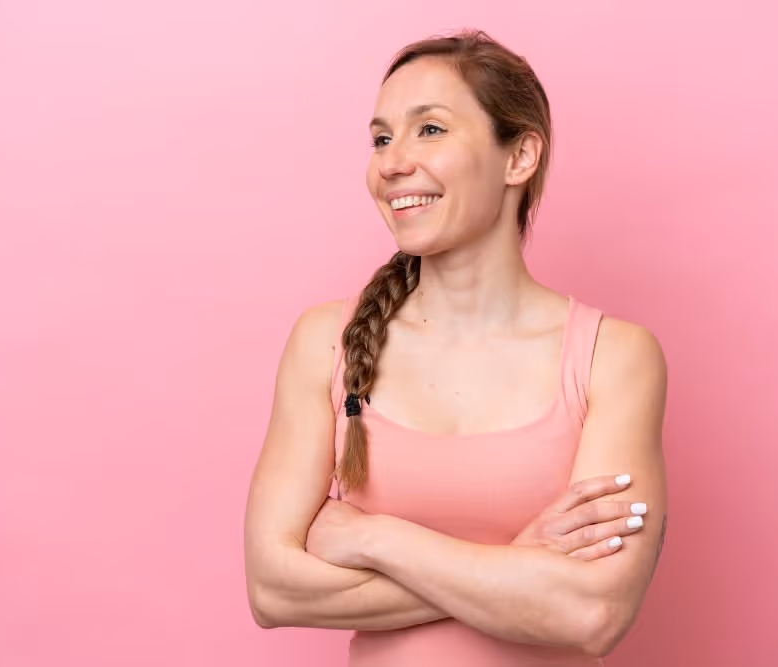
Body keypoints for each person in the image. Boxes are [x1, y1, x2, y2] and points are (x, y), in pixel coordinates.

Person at [244, 29, 668, 666]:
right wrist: (520, 568)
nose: (391, 162)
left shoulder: (614, 357)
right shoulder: (323, 345)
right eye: (382, 138)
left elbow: (593, 612)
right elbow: (272, 590)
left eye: (431, 130)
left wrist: (372, 537)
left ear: (519, 157)